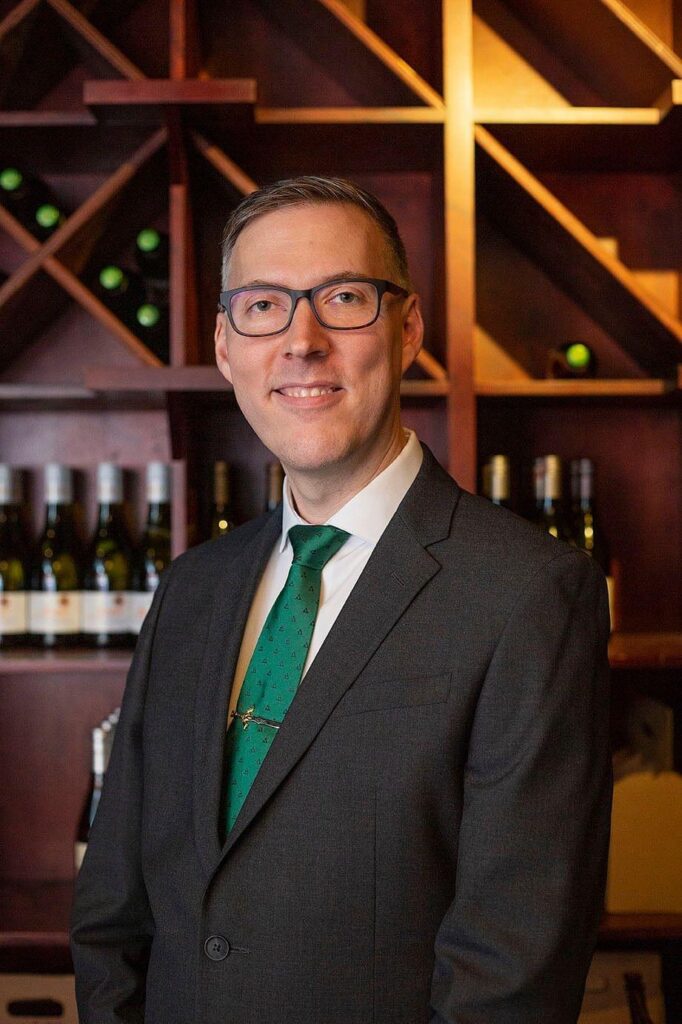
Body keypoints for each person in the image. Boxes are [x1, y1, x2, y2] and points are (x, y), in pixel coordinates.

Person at [71, 176, 612, 1024]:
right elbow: (115, 908)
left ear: (408, 331)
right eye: (263, 307)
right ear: (224, 344)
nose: (302, 341)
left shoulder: (529, 594)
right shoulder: (191, 588)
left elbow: (514, 970)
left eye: (345, 298)